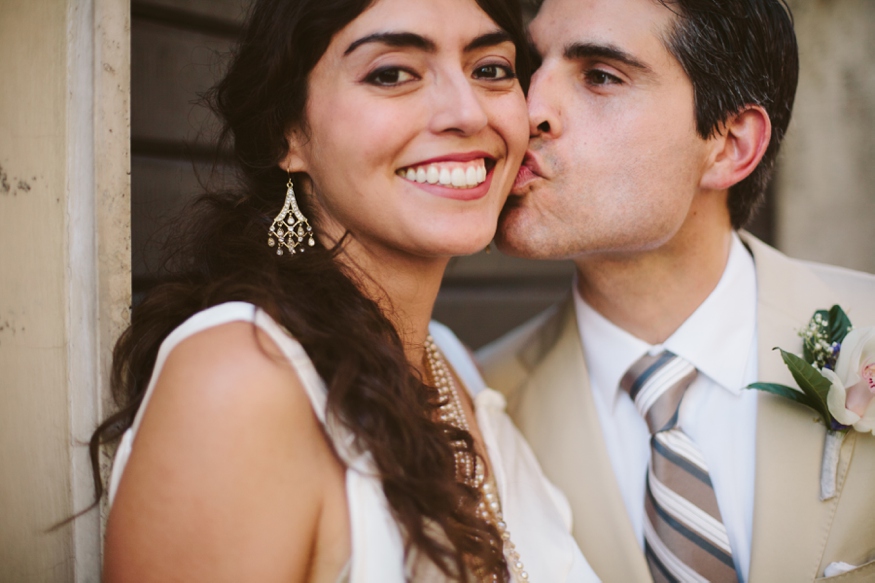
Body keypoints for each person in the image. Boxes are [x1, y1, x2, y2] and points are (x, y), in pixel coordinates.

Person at [91, 0, 598, 580]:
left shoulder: (448, 363)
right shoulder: (242, 379)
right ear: (289, 133)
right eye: (391, 74)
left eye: (490, 70)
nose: (466, 112)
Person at [478, 0, 875, 581]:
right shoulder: (476, 408)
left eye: (600, 76)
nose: (527, 110)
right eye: (530, 66)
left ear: (731, 144)